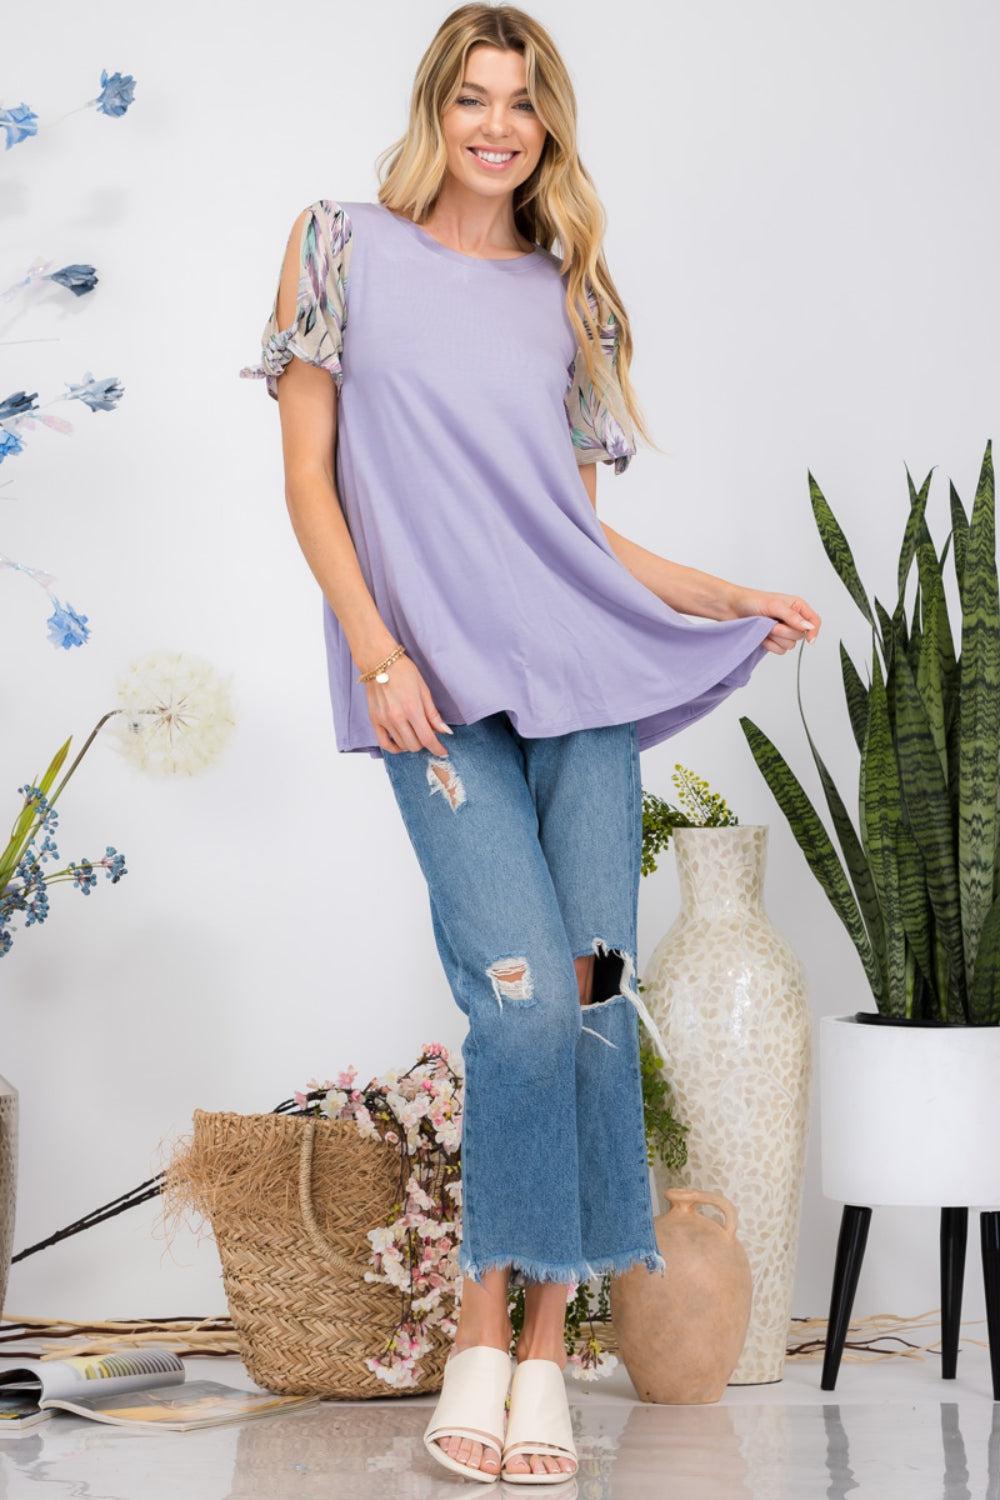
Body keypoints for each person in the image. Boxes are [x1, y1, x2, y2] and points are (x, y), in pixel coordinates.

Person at [240, 3, 820, 1482]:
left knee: (594, 998)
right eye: (474, 97)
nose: (498, 125)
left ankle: (544, 1347)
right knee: (517, 1003)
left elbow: (579, 539)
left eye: (525, 104)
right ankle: (475, 1337)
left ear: (548, 127)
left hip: (586, 716)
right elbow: (310, 479)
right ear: (436, 106)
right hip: (434, 704)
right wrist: (375, 647)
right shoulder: (338, 247)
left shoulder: (574, 299)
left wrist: (727, 593)